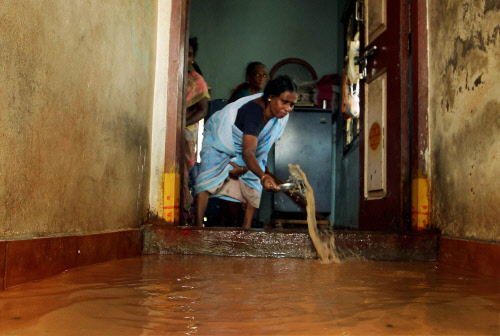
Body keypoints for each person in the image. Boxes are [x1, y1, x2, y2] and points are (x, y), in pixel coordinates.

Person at [195, 75, 298, 228]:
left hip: (247, 149)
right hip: (222, 139)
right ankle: (197, 226)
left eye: (292, 104)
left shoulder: (280, 118)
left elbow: (258, 151)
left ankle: (246, 230)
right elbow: (248, 153)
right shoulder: (254, 112)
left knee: (254, 183)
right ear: (270, 98)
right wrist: (263, 176)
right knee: (208, 174)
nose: (288, 108)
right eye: (284, 102)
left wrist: (250, 171)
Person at [183, 37, 210, 224]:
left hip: (187, 131)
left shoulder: (196, 80)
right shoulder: (170, 76)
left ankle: (186, 215)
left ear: (193, 58)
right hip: (170, 129)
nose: (187, 57)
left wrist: (180, 125)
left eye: (190, 54)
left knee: (184, 173)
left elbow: (202, 109)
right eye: (184, 52)